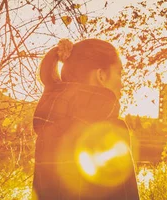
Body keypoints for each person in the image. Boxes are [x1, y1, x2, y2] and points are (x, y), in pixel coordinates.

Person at [32, 38, 139, 199]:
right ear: (101, 75)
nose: (122, 83)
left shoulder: (47, 130)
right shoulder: (110, 131)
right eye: (119, 73)